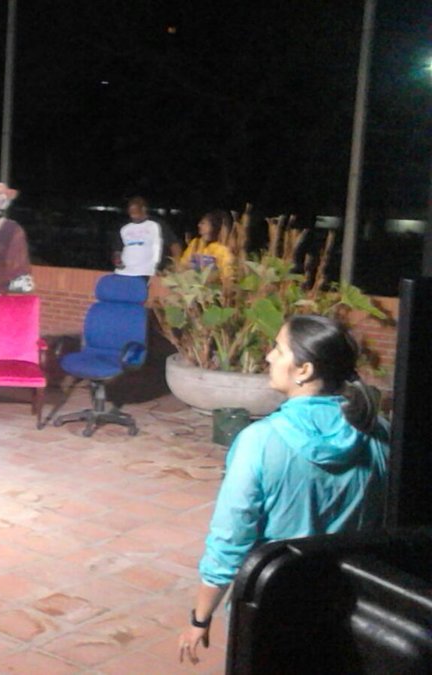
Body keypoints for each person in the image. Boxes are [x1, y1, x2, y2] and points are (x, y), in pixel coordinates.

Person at [177, 314, 389, 665]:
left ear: (304, 370)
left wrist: (200, 618)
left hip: (276, 604)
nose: (269, 356)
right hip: (351, 600)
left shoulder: (259, 442)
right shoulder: (378, 431)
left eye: (278, 349)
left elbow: (230, 540)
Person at [114, 195, 181, 281]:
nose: (133, 216)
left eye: (135, 213)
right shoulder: (125, 227)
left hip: (150, 272)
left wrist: (176, 264)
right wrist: (117, 260)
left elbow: (174, 245)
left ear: (143, 209)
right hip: (126, 272)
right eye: (131, 214)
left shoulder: (157, 225)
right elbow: (117, 249)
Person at [179, 210, 233, 279]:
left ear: (213, 226)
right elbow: (183, 263)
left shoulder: (222, 249)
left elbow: (226, 274)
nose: (199, 225)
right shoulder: (195, 243)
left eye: (203, 223)